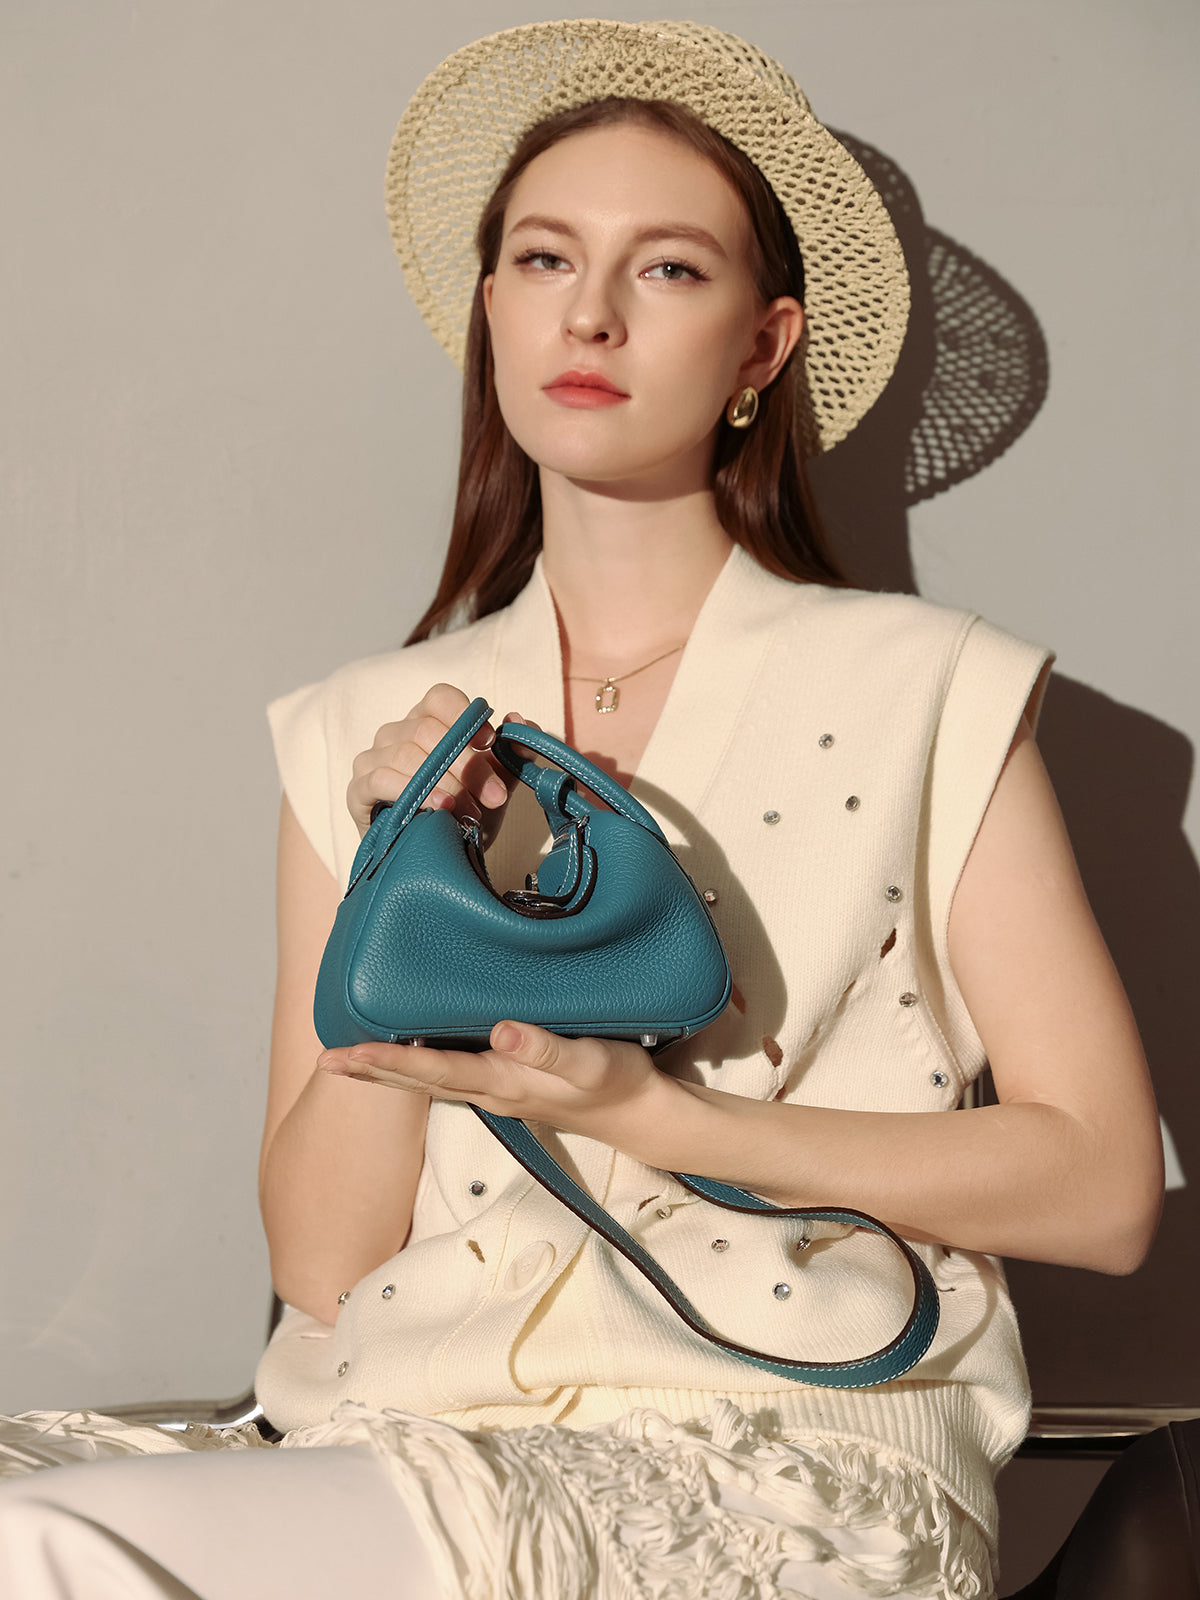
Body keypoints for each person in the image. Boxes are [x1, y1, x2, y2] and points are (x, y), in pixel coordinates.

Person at [0, 19, 1164, 1600]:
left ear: (762, 347)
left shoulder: (928, 689)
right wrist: (398, 873)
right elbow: (324, 1265)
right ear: (491, 308)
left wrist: (665, 1123)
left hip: (779, 1462)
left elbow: (1101, 1189)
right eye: (545, 259)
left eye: (669, 269)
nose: (592, 311)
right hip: (403, 1424)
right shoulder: (361, 727)